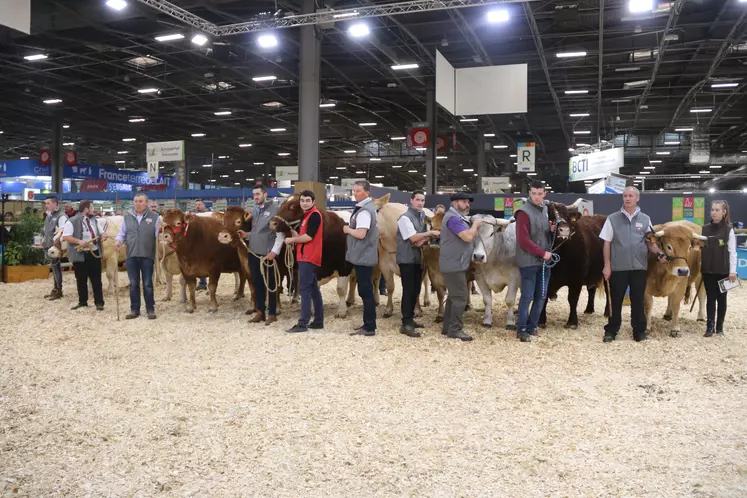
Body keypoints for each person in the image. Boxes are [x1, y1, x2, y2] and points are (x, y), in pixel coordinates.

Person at [600, 186, 666, 343]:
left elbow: (651, 243)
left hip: (638, 268)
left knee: (638, 300)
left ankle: (639, 330)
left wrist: (659, 253)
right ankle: (612, 329)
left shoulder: (645, 219)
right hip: (618, 268)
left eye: (630, 196)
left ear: (637, 198)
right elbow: (607, 243)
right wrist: (607, 265)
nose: (627, 198)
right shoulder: (612, 219)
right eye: (625, 196)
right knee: (615, 300)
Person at [514, 181, 556, 343]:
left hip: (543, 262)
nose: (537, 197)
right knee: (527, 296)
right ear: (530, 194)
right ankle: (522, 329)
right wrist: (543, 253)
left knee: (541, 296)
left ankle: (532, 327)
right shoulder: (523, 212)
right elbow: (523, 240)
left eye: (540, 194)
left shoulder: (545, 209)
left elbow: (540, 234)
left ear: (544, 193)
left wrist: (549, 230)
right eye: (534, 194)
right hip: (529, 262)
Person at [439, 192, 484, 341]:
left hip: (455, 262)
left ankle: (448, 327)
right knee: (460, 298)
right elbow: (467, 237)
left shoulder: (457, 218)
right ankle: (455, 330)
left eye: (468, 202)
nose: (467, 204)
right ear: (455, 203)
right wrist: (476, 225)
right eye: (464, 202)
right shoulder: (453, 219)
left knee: (453, 297)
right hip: (454, 264)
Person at [239, 185, 285, 325]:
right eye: (254, 194)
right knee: (257, 283)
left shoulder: (275, 209)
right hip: (253, 252)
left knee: (271, 284)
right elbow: (257, 232)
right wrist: (246, 235)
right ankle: (260, 312)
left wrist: (274, 252)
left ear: (265, 194)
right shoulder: (254, 210)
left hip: (268, 254)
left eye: (258, 194)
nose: (256, 197)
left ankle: (272, 313)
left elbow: (280, 233)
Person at [397, 190, 440, 337]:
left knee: (415, 291)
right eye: (418, 200)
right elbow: (413, 238)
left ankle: (410, 320)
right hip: (407, 259)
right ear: (411, 200)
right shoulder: (404, 218)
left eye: (422, 200)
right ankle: (406, 323)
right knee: (408, 291)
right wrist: (430, 234)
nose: (420, 203)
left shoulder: (422, 216)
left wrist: (423, 240)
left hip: (418, 259)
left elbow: (418, 242)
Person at [114, 193, 160, 320]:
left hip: (147, 255)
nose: (138, 203)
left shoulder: (155, 217)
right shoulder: (127, 217)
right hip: (131, 255)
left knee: (147, 284)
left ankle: (150, 309)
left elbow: (158, 234)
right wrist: (118, 241)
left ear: (146, 203)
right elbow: (122, 233)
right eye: (136, 201)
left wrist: (162, 231)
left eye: (140, 201)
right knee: (133, 283)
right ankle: (134, 309)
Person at [284, 190, 324, 333]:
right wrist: (296, 234)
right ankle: (318, 321)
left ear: (313, 202)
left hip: (308, 256)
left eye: (308, 200)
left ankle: (303, 323)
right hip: (306, 255)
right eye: (302, 200)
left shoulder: (314, 215)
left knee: (304, 289)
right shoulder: (307, 215)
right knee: (313, 289)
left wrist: (293, 239)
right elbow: (305, 235)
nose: (305, 203)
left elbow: (309, 237)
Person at [344, 180, 379, 336]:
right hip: (364, 255)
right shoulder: (366, 208)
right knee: (366, 291)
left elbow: (360, 233)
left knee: (366, 292)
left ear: (367, 192)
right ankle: (368, 324)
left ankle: (369, 327)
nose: (355, 193)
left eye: (358, 191)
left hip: (363, 256)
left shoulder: (364, 211)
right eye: (354, 191)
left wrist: (347, 229)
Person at [62, 200, 108, 311]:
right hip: (80, 254)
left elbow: (101, 233)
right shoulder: (72, 221)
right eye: (92, 208)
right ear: (86, 209)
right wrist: (79, 241)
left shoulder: (95, 220)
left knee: (97, 279)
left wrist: (104, 235)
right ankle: (83, 302)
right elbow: (66, 236)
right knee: (81, 279)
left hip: (94, 253)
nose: (93, 210)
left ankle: (99, 303)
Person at [700, 200, 737, 337]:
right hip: (708, 270)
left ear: (724, 212)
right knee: (710, 298)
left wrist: (732, 271)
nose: (714, 213)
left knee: (722, 299)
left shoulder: (729, 230)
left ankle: (719, 327)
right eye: (712, 210)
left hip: (723, 271)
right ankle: (709, 327)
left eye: (717, 210)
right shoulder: (704, 229)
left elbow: (732, 252)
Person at [42, 196, 68, 300]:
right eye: (45, 203)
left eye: (48, 203)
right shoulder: (49, 215)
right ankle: (56, 288)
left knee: (56, 267)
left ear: (55, 203)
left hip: (56, 246)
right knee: (54, 267)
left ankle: (58, 290)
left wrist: (56, 244)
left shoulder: (61, 216)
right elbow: (46, 230)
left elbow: (62, 230)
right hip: (49, 245)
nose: (46, 205)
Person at [193, 199, 210, 291]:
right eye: (196, 204)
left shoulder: (210, 214)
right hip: (198, 244)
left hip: (210, 242)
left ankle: (212, 284)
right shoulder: (194, 215)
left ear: (204, 205)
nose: (197, 206)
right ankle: (202, 283)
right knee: (199, 263)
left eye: (199, 204)